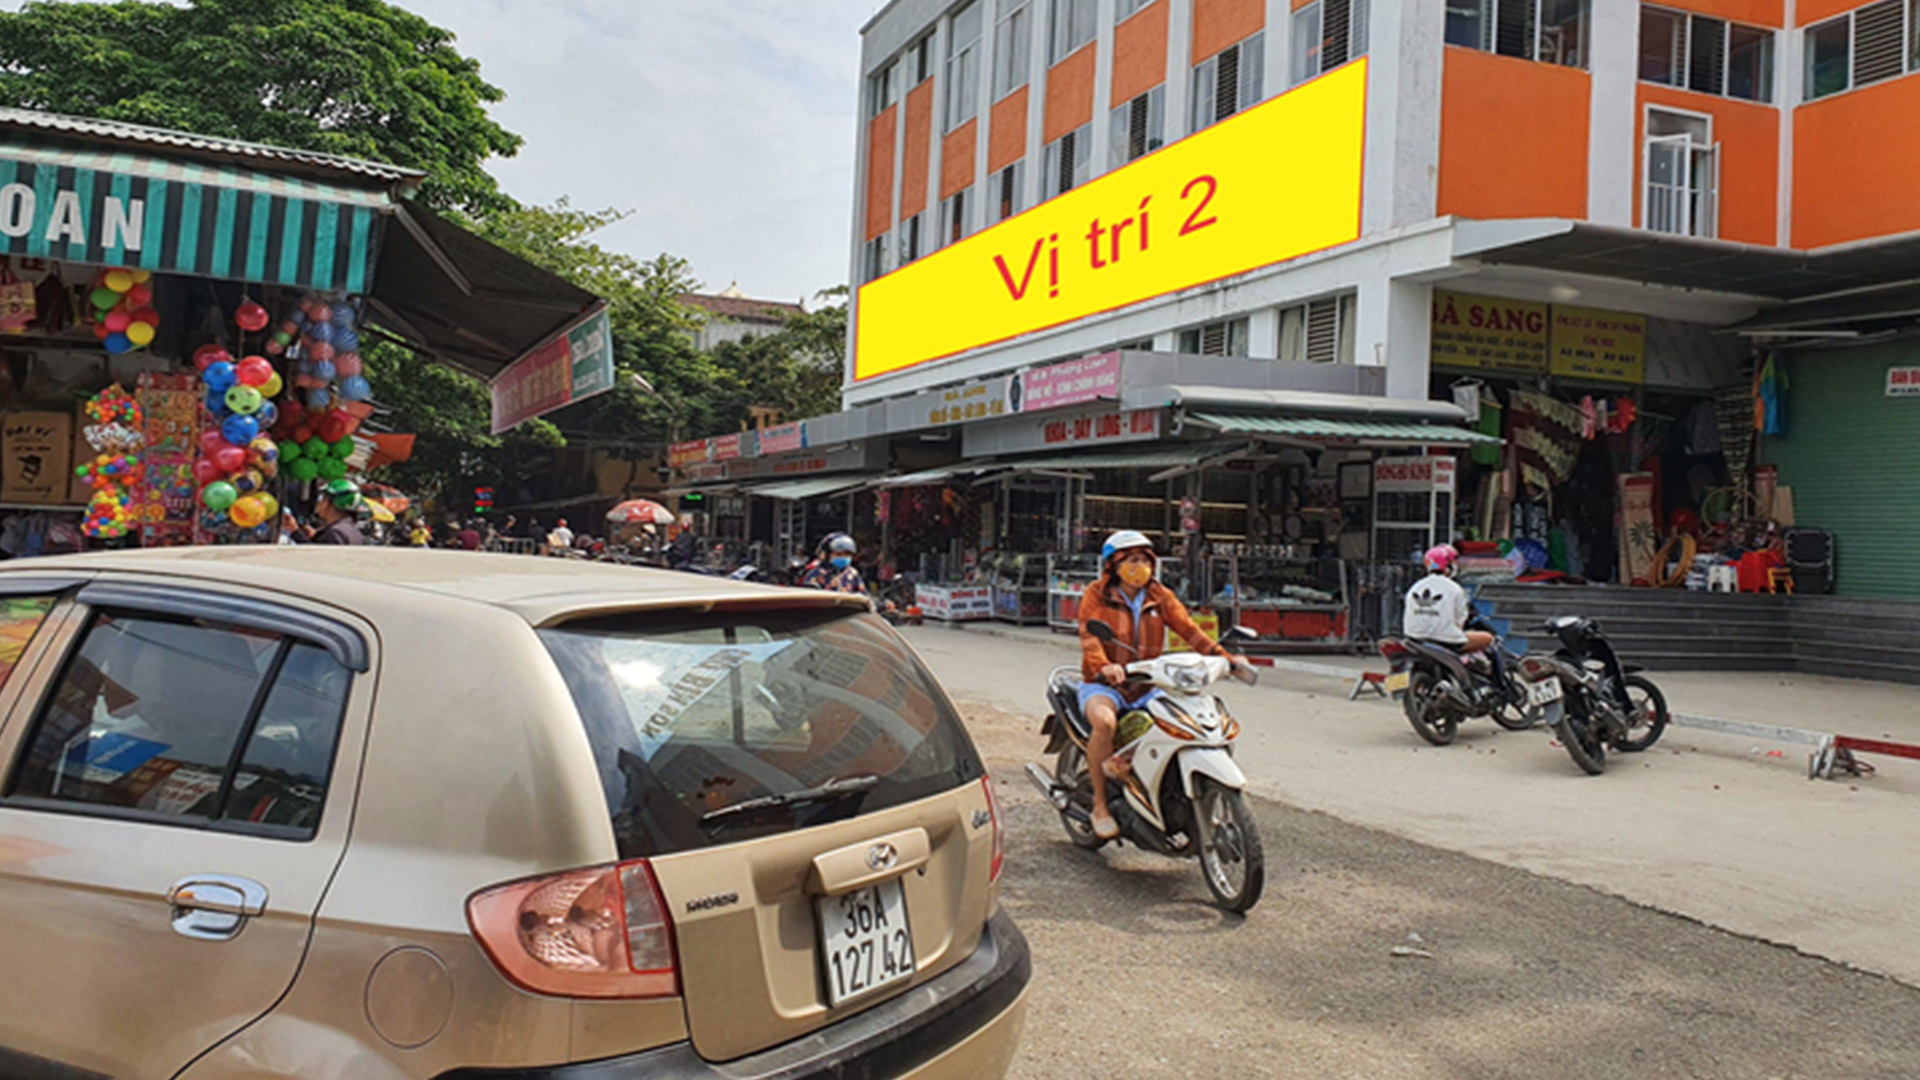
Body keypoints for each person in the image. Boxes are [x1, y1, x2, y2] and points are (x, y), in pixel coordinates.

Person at [1076, 530, 1243, 840]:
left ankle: (1137, 774)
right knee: (1104, 722)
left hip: (1148, 683)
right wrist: (1104, 667)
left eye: (1144, 560)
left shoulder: (1159, 595)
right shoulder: (1096, 593)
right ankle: (1100, 806)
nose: (1139, 566)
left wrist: (1225, 658)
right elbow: (1089, 636)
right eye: (1131, 560)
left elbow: (1189, 630)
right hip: (1104, 684)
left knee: (1179, 723)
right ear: (1113, 565)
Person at [1401, 544, 1487, 653]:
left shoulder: (1415, 587)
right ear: (1448, 565)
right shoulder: (1454, 589)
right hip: (1446, 641)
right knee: (1487, 638)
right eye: (1453, 562)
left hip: (1414, 638)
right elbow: (1461, 619)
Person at [304, 480, 368, 546]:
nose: (319, 503)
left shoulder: (334, 533)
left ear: (327, 503)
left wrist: (297, 533)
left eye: (322, 498)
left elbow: (318, 552)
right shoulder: (351, 529)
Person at [799, 533, 865, 594]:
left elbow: (863, 596)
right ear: (827, 555)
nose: (843, 557)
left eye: (847, 554)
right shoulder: (816, 574)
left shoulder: (853, 574)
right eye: (838, 554)